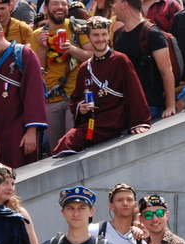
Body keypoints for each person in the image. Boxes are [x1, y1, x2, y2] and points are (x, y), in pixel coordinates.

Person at [53, 18, 152, 155]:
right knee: (65, 143)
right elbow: (76, 99)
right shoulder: (85, 68)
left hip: (115, 120)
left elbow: (134, 92)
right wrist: (80, 107)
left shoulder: (120, 60)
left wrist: (138, 122)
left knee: (69, 141)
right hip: (93, 122)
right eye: (95, 35)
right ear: (89, 37)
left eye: (104, 34)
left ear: (108, 36)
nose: (100, 39)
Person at [0, 17, 49, 166]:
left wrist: (31, 131)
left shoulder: (24, 54)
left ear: (1, 35)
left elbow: (34, 94)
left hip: (20, 130)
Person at [32, 0, 92, 151]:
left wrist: (72, 49)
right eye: (55, 4)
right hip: (52, 98)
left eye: (63, 4)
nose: (60, 7)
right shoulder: (37, 34)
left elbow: (93, 56)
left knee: (74, 143)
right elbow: (38, 70)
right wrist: (42, 47)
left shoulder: (77, 28)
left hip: (76, 95)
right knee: (56, 148)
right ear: (45, 8)